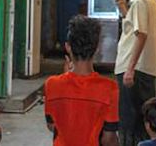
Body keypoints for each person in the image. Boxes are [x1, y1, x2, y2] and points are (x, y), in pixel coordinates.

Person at [44, 15, 119, 146]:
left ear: (68, 47)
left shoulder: (52, 84)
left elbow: (51, 125)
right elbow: (109, 139)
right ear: (97, 48)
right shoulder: (109, 88)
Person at [114, 0, 156, 146]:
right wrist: (123, 7)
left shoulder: (140, 2)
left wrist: (130, 69)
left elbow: (141, 34)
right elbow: (135, 25)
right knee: (144, 116)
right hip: (146, 66)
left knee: (130, 118)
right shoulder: (151, 0)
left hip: (135, 67)